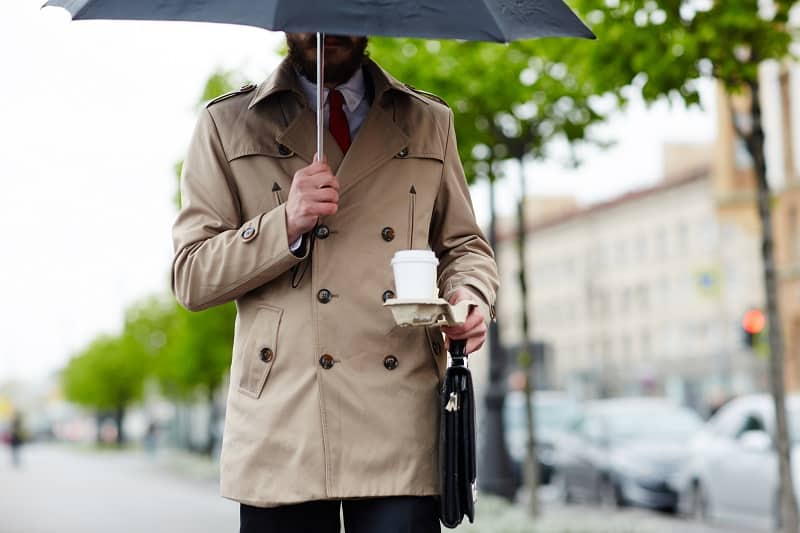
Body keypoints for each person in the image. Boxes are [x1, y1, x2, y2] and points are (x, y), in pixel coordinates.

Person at [172, 33, 499, 533]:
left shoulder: (429, 121)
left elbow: (465, 248)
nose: (326, 23)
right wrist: (285, 222)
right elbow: (192, 275)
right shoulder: (227, 123)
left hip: (399, 416)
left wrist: (469, 296)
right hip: (285, 417)